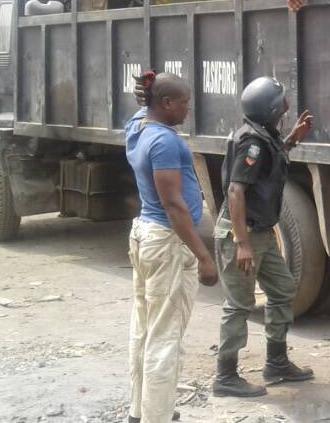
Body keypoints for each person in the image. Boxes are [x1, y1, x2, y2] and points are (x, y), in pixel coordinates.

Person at [213, 77, 316, 397]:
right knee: (240, 303)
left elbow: (266, 167)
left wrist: (291, 140)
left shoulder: (262, 135)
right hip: (242, 232)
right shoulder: (251, 142)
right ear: (271, 109)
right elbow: (236, 191)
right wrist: (243, 244)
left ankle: (276, 362)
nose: (285, 108)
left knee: (283, 289)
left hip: (261, 231)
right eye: (281, 104)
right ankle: (225, 377)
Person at [125, 72, 218, 423]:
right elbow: (174, 206)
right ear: (166, 104)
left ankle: (141, 412)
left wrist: (145, 95)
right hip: (166, 241)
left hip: (145, 236)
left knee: (145, 329)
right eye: (183, 102)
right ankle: (157, 417)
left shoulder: (137, 127)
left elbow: (139, 109)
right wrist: (203, 255)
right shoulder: (164, 141)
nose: (188, 109)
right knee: (165, 338)